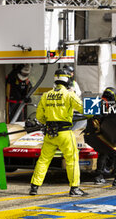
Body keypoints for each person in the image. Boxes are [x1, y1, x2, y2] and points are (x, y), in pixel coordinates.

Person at [29, 69, 88, 197]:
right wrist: (96, 112)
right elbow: (84, 109)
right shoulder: (69, 95)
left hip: (50, 133)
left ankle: (34, 186)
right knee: (72, 160)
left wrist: (49, 122)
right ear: (67, 81)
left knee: (43, 160)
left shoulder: (46, 95)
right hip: (65, 133)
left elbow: (39, 117)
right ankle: (74, 188)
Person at [83, 87, 116, 189]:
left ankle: (99, 176)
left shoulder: (96, 102)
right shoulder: (103, 105)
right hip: (96, 135)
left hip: (88, 136)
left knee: (103, 152)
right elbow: (103, 123)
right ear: (112, 97)